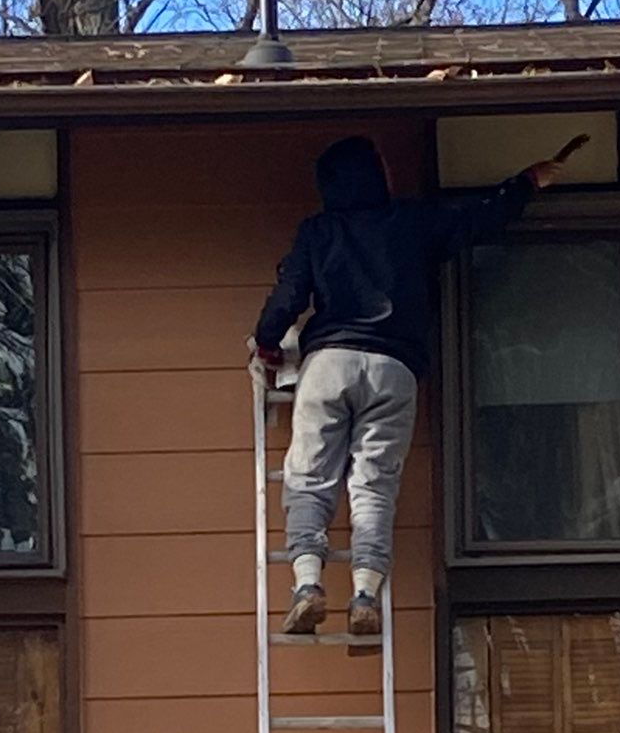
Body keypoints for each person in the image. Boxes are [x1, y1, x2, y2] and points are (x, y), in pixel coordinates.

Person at [251, 132, 587, 643]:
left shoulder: (318, 231)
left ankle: (307, 585)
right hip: (395, 368)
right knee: (374, 484)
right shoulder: (411, 221)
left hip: (329, 363)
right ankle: (364, 593)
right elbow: (475, 217)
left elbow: (288, 294)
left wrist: (268, 343)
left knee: (309, 476)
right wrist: (526, 183)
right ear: (371, 174)